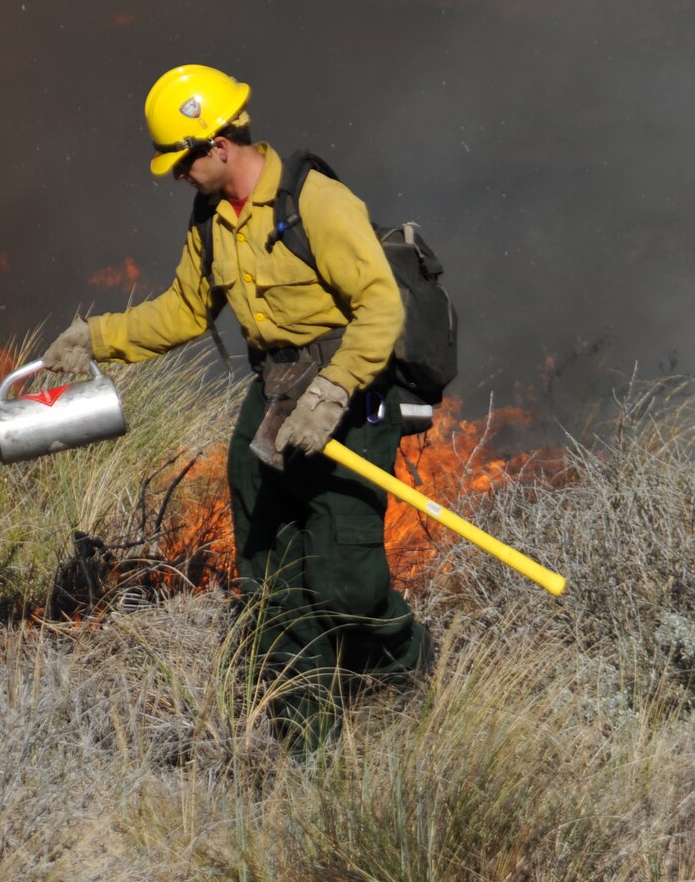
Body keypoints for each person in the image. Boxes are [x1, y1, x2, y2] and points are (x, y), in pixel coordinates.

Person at [42, 64, 431, 733]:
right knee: (265, 558)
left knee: (344, 577)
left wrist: (335, 391)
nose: (174, 174)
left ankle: (403, 666)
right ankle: (305, 722)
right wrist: (95, 339)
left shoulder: (317, 203)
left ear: (220, 143)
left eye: (181, 159)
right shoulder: (210, 218)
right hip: (278, 393)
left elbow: (379, 306)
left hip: (356, 391)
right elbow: (184, 311)